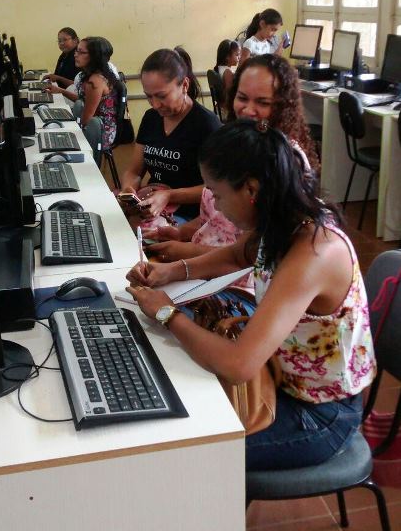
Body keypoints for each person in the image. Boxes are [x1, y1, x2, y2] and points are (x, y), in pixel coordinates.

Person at [126, 119, 376, 471]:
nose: (213, 201)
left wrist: (168, 314)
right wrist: (170, 271)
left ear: (252, 189)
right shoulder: (279, 217)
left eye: (218, 192)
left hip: (320, 413)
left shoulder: (313, 252)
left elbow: (238, 365)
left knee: (181, 456)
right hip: (280, 377)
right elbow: (235, 255)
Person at [144, 54, 318, 267]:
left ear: (284, 106)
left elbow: (251, 258)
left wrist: (185, 257)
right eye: (242, 98)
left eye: (262, 102)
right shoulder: (238, 144)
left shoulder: (284, 163)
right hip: (204, 258)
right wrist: (181, 233)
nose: (248, 109)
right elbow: (218, 216)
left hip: (239, 277)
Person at [120, 47, 221, 221]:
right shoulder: (151, 118)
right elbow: (135, 171)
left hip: (192, 216)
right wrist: (129, 189)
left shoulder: (207, 125)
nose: (155, 104)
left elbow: (217, 189)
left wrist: (169, 195)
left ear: (185, 86)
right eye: (149, 97)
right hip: (153, 206)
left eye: (162, 96)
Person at [46, 37, 119, 151]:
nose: (76, 54)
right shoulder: (90, 75)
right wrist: (61, 91)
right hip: (94, 124)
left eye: (81, 52)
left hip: (100, 131)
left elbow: (87, 119)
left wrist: (69, 131)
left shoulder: (95, 81)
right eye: (76, 51)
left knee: (53, 138)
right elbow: (84, 101)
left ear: (95, 56)